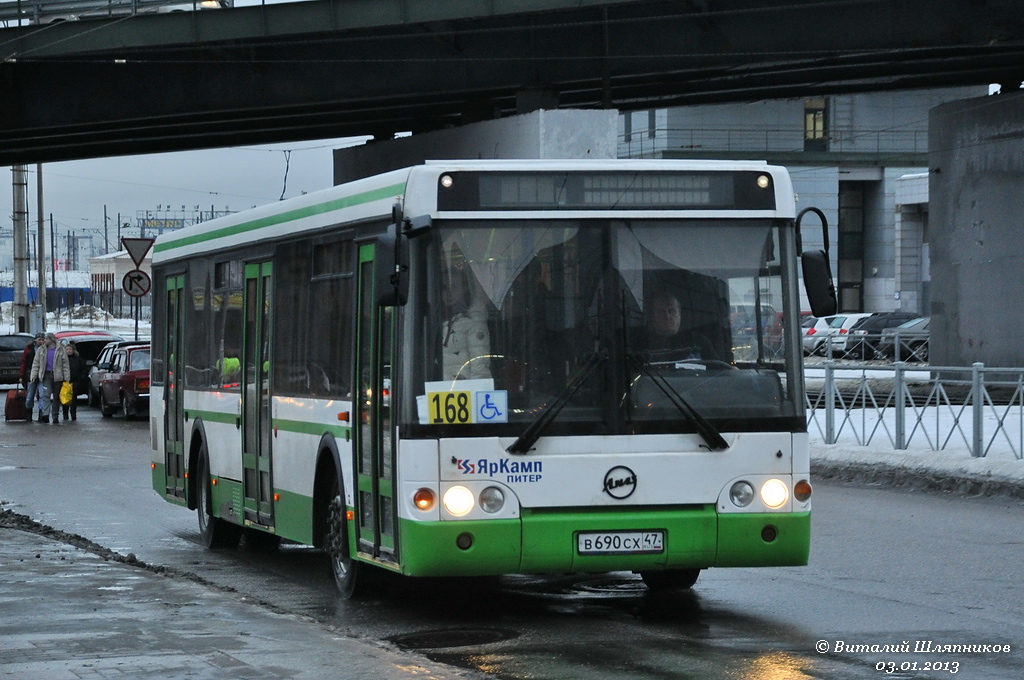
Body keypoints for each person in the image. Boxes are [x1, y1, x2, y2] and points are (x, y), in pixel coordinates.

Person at [640, 290, 720, 361]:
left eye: (672, 311)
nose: (667, 316)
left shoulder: (698, 342)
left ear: (679, 315)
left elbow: (719, 371)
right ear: (652, 316)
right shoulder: (641, 343)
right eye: (661, 312)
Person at [29, 333, 70, 424]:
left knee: (56, 397)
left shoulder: (60, 349)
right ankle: (45, 415)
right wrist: (33, 375)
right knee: (45, 395)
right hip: (46, 375)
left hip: (58, 376)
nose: (44, 341)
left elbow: (65, 364)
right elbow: (36, 363)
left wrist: (66, 377)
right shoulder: (42, 349)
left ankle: (55, 416)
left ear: (51, 339)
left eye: (46, 339)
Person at [19, 333, 45, 422]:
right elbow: (23, 363)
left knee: (42, 394)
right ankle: (28, 414)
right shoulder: (29, 350)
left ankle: (41, 414)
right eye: (39, 340)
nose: (41, 342)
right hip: (31, 375)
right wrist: (22, 376)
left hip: (42, 375)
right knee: (30, 396)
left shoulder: (45, 349)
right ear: (35, 340)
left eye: (42, 340)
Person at [62, 341, 87, 422]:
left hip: (75, 381)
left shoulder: (78, 359)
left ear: (73, 350)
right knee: (65, 398)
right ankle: (65, 415)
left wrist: (81, 378)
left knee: (73, 399)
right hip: (65, 381)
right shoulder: (62, 359)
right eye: (67, 349)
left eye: (70, 349)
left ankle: (73, 414)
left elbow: (83, 369)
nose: (68, 351)